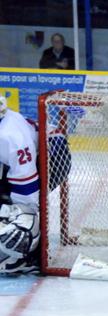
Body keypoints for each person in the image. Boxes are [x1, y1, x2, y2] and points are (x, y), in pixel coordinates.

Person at [0, 95, 42, 275]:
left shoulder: (10, 136)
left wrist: (20, 215)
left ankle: (28, 254)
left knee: (22, 213)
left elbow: (27, 185)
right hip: (15, 162)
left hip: (51, 156)